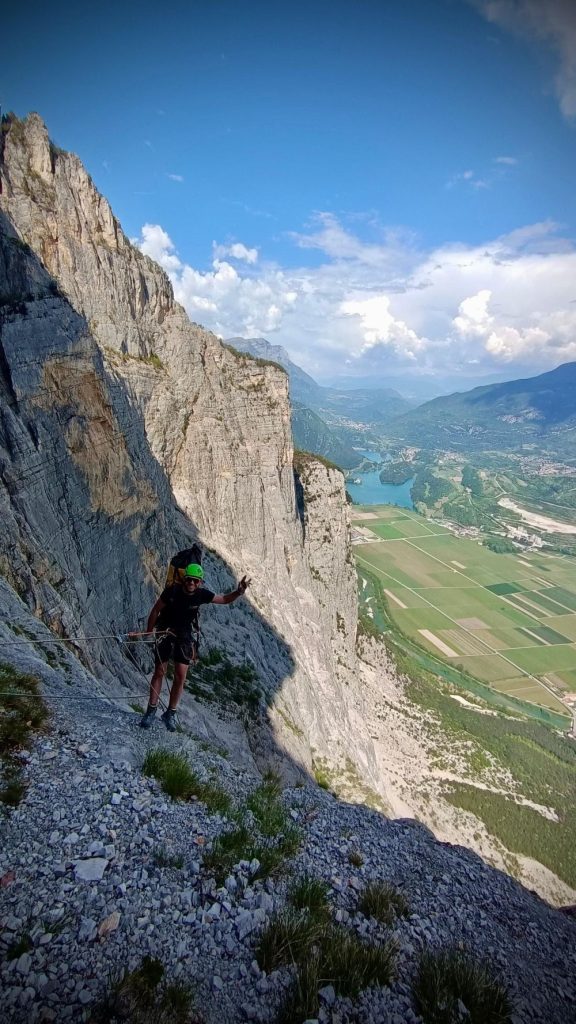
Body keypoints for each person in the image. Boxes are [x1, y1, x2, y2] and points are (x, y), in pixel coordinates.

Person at [137, 563, 251, 732]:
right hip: (165, 631)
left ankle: (170, 713)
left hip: (184, 636)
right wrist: (148, 632)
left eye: (195, 581)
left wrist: (238, 592)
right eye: (189, 579)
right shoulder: (172, 591)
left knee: (180, 676)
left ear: (200, 583)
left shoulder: (201, 595)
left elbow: (224, 599)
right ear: (184, 579)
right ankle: (151, 710)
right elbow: (155, 611)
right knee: (160, 671)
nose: (192, 583)